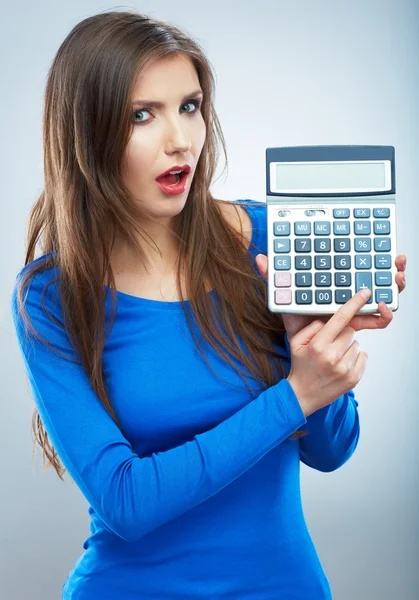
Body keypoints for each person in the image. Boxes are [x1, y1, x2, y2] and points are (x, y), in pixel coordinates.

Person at [10, 10, 407, 600]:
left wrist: (320, 352)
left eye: (189, 106)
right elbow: (125, 500)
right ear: (86, 133)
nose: (179, 139)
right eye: (141, 115)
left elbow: (331, 450)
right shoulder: (50, 296)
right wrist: (294, 394)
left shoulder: (269, 238)